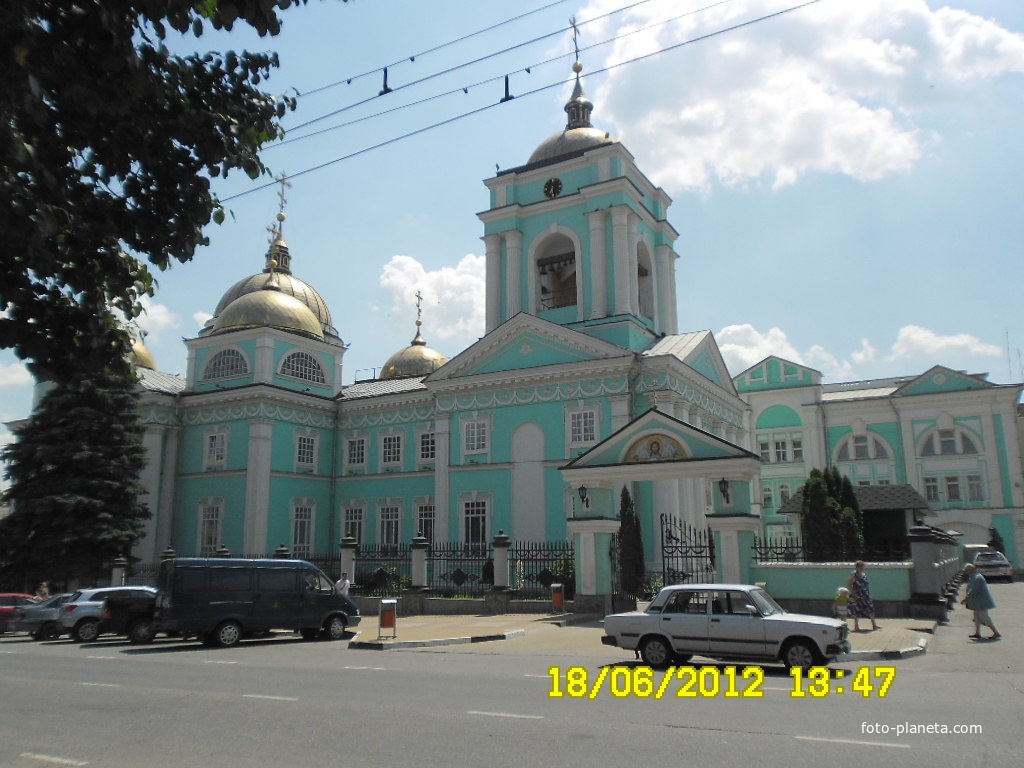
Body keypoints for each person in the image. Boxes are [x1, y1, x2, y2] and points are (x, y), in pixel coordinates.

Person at [962, 563, 1000, 640]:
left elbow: (974, 590)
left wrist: (966, 599)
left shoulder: (977, 577)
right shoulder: (974, 576)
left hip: (981, 602)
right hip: (978, 602)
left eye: (967, 570)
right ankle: (977, 633)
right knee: (976, 617)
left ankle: (996, 633)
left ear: (970, 570)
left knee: (984, 617)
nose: (966, 572)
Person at [847, 560, 879, 632]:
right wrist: (853, 594)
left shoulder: (864, 574)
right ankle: (856, 627)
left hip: (866, 595)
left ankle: (874, 625)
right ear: (857, 567)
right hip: (857, 595)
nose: (862, 568)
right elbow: (849, 585)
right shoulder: (854, 574)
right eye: (861, 567)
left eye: (863, 567)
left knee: (870, 608)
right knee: (856, 610)